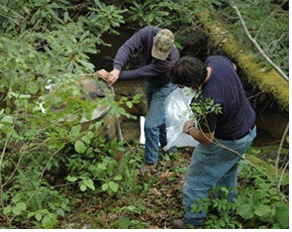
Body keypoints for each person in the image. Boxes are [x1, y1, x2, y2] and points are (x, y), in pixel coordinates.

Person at [169, 55, 256, 228]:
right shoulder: (217, 62)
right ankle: (226, 212)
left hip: (227, 142)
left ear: (193, 84)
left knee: (196, 182)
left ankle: (194, 223)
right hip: (249, 130)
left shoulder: (205, 102)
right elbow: (234, 66)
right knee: (227, 174)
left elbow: (207, 139)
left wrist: (189, 128)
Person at [96, 26, 179, 169]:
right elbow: (127, 48)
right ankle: (170, 149)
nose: (156, 56)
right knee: (160, 118)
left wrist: (111, 76)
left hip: (166, 86)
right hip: (151, 83)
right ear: (153, 39)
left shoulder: (171, 59)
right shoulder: (147, 33)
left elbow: (142, 73)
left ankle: (151, 162)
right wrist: (116, 68)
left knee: (151, 124)